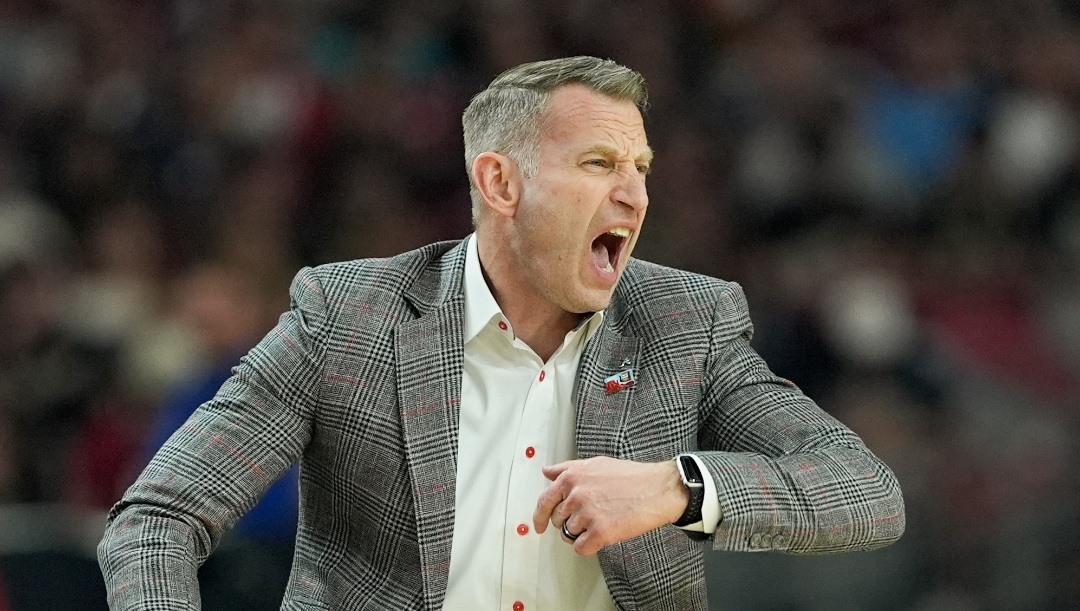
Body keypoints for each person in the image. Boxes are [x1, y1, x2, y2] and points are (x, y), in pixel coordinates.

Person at [98, 56, 905, 610]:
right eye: (598, 163)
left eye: (641, 167)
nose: (633, 195)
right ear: (500, 181)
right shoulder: (348, 317)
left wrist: (677, 488)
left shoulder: (684, 323)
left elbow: (865, 494)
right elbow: (157, 518)